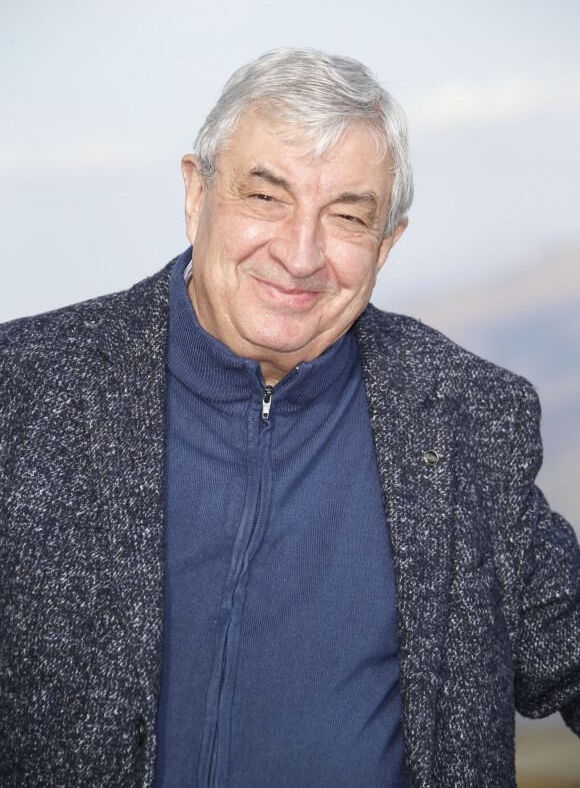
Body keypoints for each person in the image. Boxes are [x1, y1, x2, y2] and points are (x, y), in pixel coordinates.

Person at [1, 49, 579, 788]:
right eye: (266, 198)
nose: (301, 255)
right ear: (196, 192)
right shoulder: (22, 391)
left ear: (387, 244)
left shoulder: (463, 417)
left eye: (347, 216)